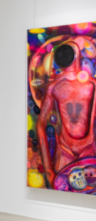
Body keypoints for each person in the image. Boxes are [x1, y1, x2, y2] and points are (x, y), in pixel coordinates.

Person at [36, 43, 96, 189]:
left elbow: (40, 124)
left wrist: (48, 169)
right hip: (65, 150)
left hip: (87, 149)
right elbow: (40, 124)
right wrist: (48, 169)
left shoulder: (92, 85)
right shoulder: (54, 87)